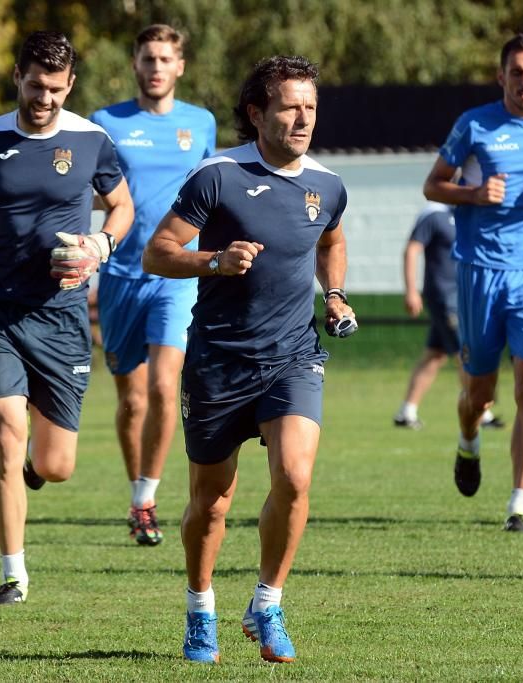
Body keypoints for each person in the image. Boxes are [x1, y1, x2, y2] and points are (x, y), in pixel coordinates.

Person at [143, 55, 355, 664]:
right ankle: (199, 609)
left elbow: (332, 238)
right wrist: (213, 261)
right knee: (211, 501)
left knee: (294, 476)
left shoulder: (327, 185)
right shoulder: (217, 177)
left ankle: (268, 602)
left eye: (311, 107)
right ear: (257, 112)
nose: (303, 118)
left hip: (293, 355)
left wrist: (333, 294)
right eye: (290, 106)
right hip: (218, 361)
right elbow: (157, 253)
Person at [0, 30, 134, 605]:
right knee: (6, 431)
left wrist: (99, 248)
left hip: (61, 315)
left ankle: (37, 468)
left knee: (56, 466)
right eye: (35, 86)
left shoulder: (91, 141)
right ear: (17, 77)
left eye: (56, 90)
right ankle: (14, 573)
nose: (44, 99)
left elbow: (122, 206)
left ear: (70, 87)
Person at [422, 34, 523, 533]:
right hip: (480, 272)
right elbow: (433, 185)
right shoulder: (475, 124)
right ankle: (468, 441)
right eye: (517, 73)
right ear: (501, 77)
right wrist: (473, 193)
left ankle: (520, 504)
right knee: (480, 395)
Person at [87, 24, 217, 546]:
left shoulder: (200, 123)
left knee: (167, 385)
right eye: (147, 58)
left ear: (180, 66)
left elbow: (212, 190)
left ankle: (146, 498)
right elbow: (93, 190)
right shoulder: (106, 122)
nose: (156, 67)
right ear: (135, 65)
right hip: (120, 274)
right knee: (132, 400)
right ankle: (135, 487)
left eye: (165, 58)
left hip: (176, 272)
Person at [394, 202, 504, 430]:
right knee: (465, 353)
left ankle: (407, 411)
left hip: (463, 296)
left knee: (435, 356)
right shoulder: (434, 214)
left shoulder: (468, 213)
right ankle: (481, 412)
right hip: (443, 296)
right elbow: (412, 250)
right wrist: (411, 290)